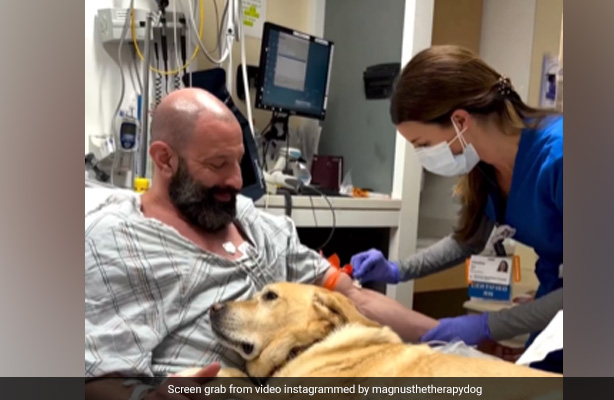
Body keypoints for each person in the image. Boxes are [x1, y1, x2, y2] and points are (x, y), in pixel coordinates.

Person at [85, 88, 439, 398]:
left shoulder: (256, 223)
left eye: (238, 162)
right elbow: (94, 376)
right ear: (165, 159)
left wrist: (445, 335)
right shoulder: (118, 242)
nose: (236, 181)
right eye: (218, 164)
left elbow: (353, 297)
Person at [350, 46, 563, 372]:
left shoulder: (559, 156)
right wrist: (397, 270)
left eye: (422, 144)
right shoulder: (485, 168)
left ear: (461, 120)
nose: (423, 156)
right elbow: (469, 239)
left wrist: (487, 326)